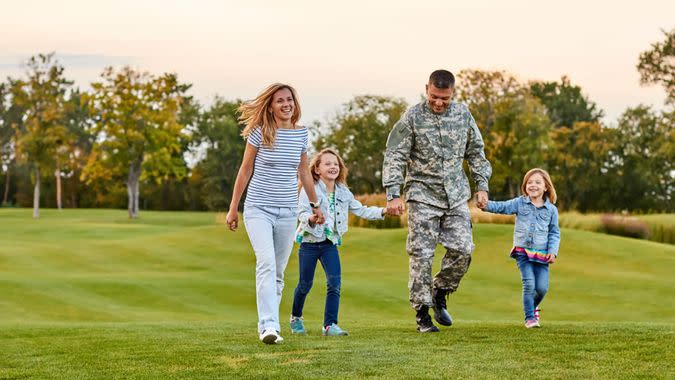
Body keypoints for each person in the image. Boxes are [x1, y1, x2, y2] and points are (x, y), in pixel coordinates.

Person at [382, 69, 492, 332]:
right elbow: (395, 154)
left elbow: (476, 152)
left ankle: (440, 291)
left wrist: (482, 186)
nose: (439, 102)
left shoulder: (463, 114)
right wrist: (393, 193)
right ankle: (422, 313)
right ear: (426, 89)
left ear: (452, 92)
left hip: (455, 195)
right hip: (422, 194)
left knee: (464, 250)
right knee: (421, 254)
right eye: (434, 97)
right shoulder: (412, 116)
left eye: (444, 97)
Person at [225, 83, 324, 344]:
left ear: (295, 103)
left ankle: (272, 326)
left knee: (278, 272)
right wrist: (233, 207)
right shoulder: (260, 133)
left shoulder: (301, 134)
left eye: (289, 99)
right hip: (259, 209)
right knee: (266, 263)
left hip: (288, 211)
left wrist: (315, 206)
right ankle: (268, 326)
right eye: (279, 100)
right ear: (271, 106)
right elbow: (245, 170)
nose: (286, 104)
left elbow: (304, 172)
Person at [290, 148, 397, 336]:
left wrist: (384, 211)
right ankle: (296, 318)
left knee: (334, 283)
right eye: (328, 163)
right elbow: (301, 212)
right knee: (305, 284)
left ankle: (329, 325)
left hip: (329, 244)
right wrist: (312, 219)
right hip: (309, 242)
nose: (333, 167)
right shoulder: (310, 189)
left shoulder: (343, 192)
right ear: (316, 169)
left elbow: (361, 210)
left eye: (336, 164)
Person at [479, 168, 560, 328]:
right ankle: (530, 318)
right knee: (529, 284)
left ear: (546, 187)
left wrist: (553, 251)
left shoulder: (551, 210)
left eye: (537, 182)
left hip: (542, 254)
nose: (533, 185)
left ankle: (533, 306)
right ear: (525, 186)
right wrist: (485, 205)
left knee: (542, 288)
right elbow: (502, 207)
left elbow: (554, 233)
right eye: (529, 182)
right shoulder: (520, 203)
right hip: (522, 252)